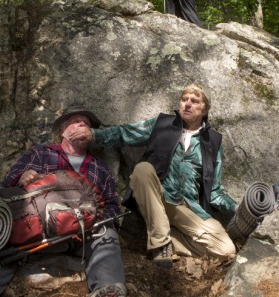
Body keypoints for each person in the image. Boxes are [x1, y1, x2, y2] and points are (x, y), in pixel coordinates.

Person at [0, 106, 127, 297]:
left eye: (86, 124)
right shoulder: (40, 153)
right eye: (76, 121)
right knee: (0, 234)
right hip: (34, 229)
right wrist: (22, 178)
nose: (82, 125)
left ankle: (104, 291)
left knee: (106, 235)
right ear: (62, 131)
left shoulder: (100, 168)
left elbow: (112, 207)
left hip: (80, 234)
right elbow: (6, 191)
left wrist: (97, 221)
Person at [89, 84, 236, 267]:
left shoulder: (213, 141)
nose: (187, 104)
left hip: (188, 207)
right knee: (142, 169)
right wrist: (93, 135)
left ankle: (161, 237)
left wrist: (237, 209)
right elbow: (125, 133)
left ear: (205, 109)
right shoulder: (162, 124)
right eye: (184, 99)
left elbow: (215, 192)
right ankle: (160, 243)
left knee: (226, 251)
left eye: (194, 101)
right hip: (158, 196)